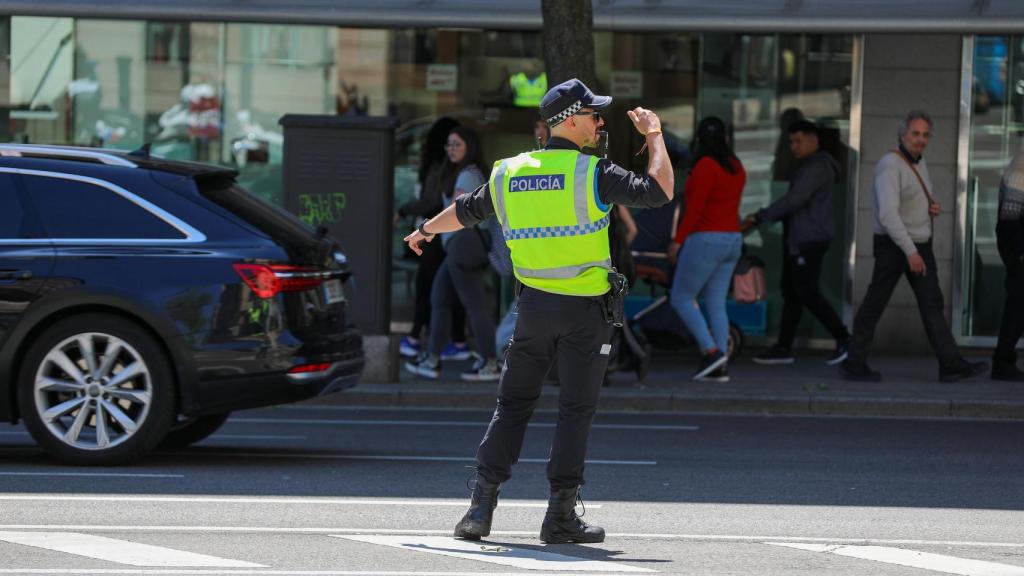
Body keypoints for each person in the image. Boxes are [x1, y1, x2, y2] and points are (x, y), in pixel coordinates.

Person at [403, 78, 672, 543]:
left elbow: (466, 211)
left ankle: (479, 510)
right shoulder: (594, 173)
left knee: (511, 406)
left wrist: (425, 230)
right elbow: (660, 189)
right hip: (586, 313)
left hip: (532, 310)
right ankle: (560, 517)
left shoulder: (509, 172)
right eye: (592, 115)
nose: (599, 122)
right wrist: (654, 135)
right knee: (575, 410)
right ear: (569, 121)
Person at [839, 110, 987, 382]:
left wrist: (928, 207)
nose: (920, 139)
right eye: (915, 133)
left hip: (918, 244)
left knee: (932, 304)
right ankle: (854, 362)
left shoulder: (919, 163)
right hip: (896, 246)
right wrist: (910, 252)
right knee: (875, 302)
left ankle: (950, 363)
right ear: (903, 134)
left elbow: (907, 203)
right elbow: (888, 215)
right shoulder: (889, 165)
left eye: (925, 135)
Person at [745, 120, 850, 365]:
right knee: (793, 293)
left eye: (798, 141)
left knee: (806, 292)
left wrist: (763, 215)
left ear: (814, 140)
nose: (793, 146)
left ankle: (845, 339)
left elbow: (795, 200)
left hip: (808, 239)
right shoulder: (811, 165)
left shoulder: (816, 166)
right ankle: (784, 346)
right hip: (801, 237)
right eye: (791, 141)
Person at [406, 126, 499, 381]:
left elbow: (459, 214)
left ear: (470, 146)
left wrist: (428, 229)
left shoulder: (467, 176)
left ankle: (490, 362)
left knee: (474, 304)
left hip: (464, 244)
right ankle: (432, 359)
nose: (451, 149)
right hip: (460, 245)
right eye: (449, 145)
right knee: (440, 298)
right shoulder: (464, 173)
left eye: (457, 144)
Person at [667, 116, 745, 382]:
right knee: (716, 302)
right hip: (733, 239)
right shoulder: (737, 167)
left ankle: (711, 352)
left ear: (699, 140)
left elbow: (695, 209)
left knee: (681, 297)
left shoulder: (704, 167)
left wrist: (677, 241)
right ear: (725, 139)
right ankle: (720, 363)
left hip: (706, 239)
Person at [396, 117, 469, 361]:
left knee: (429, 289)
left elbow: (430, 203)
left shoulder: (442, 168)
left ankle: (419, 338)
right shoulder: (455, 169)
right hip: (447, 237)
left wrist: (404, 210)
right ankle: (455, 340)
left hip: (436, 236)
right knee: (450, 291)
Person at [992, 147, 1024, 381]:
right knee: (1017, 308)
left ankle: (1004, 361)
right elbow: (1009, 219)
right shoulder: (1021, 168)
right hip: (1019, 250)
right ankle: (1002, 362)